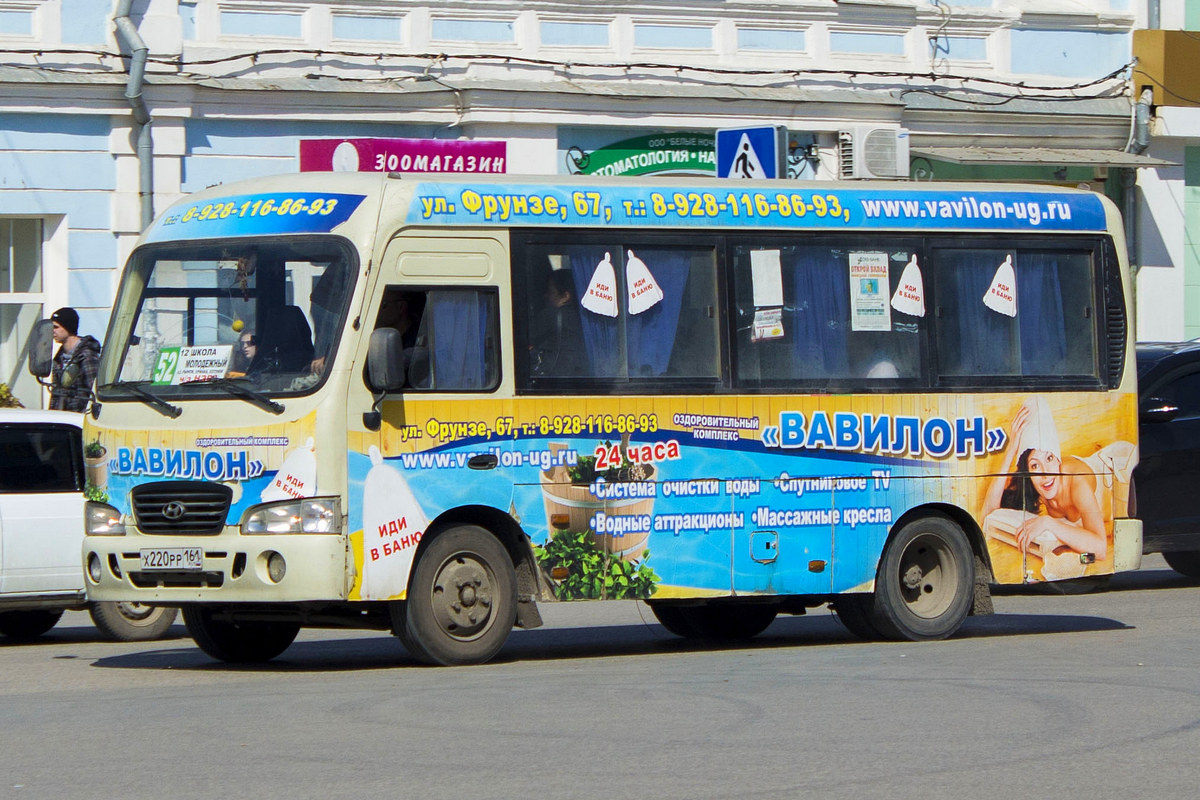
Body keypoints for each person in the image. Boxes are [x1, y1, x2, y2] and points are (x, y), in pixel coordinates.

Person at [981, 397, 1108, 560]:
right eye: (1035, 466)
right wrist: (1011, 449)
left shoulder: (1076, 482)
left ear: (1058, 459)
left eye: (1049, 459)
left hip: (1118, 465)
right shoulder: (1035, 486)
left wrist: (1049, 523)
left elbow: (1101, 550)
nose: (1046, 474)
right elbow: (988, 518)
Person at [529, 269, 586, 377]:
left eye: (551, 292)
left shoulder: (549, 315)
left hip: (555, 377)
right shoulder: (584, 318)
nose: (546, 295)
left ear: (565, 296)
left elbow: (526, 339)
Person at [48, 307, 101, 412]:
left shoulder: (87, 355)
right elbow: (56, 393)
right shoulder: (59, 358)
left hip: (79, 419)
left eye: (56, 327)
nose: (52, 331)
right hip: (62, 419)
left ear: (68, 327)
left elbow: (94, 391)